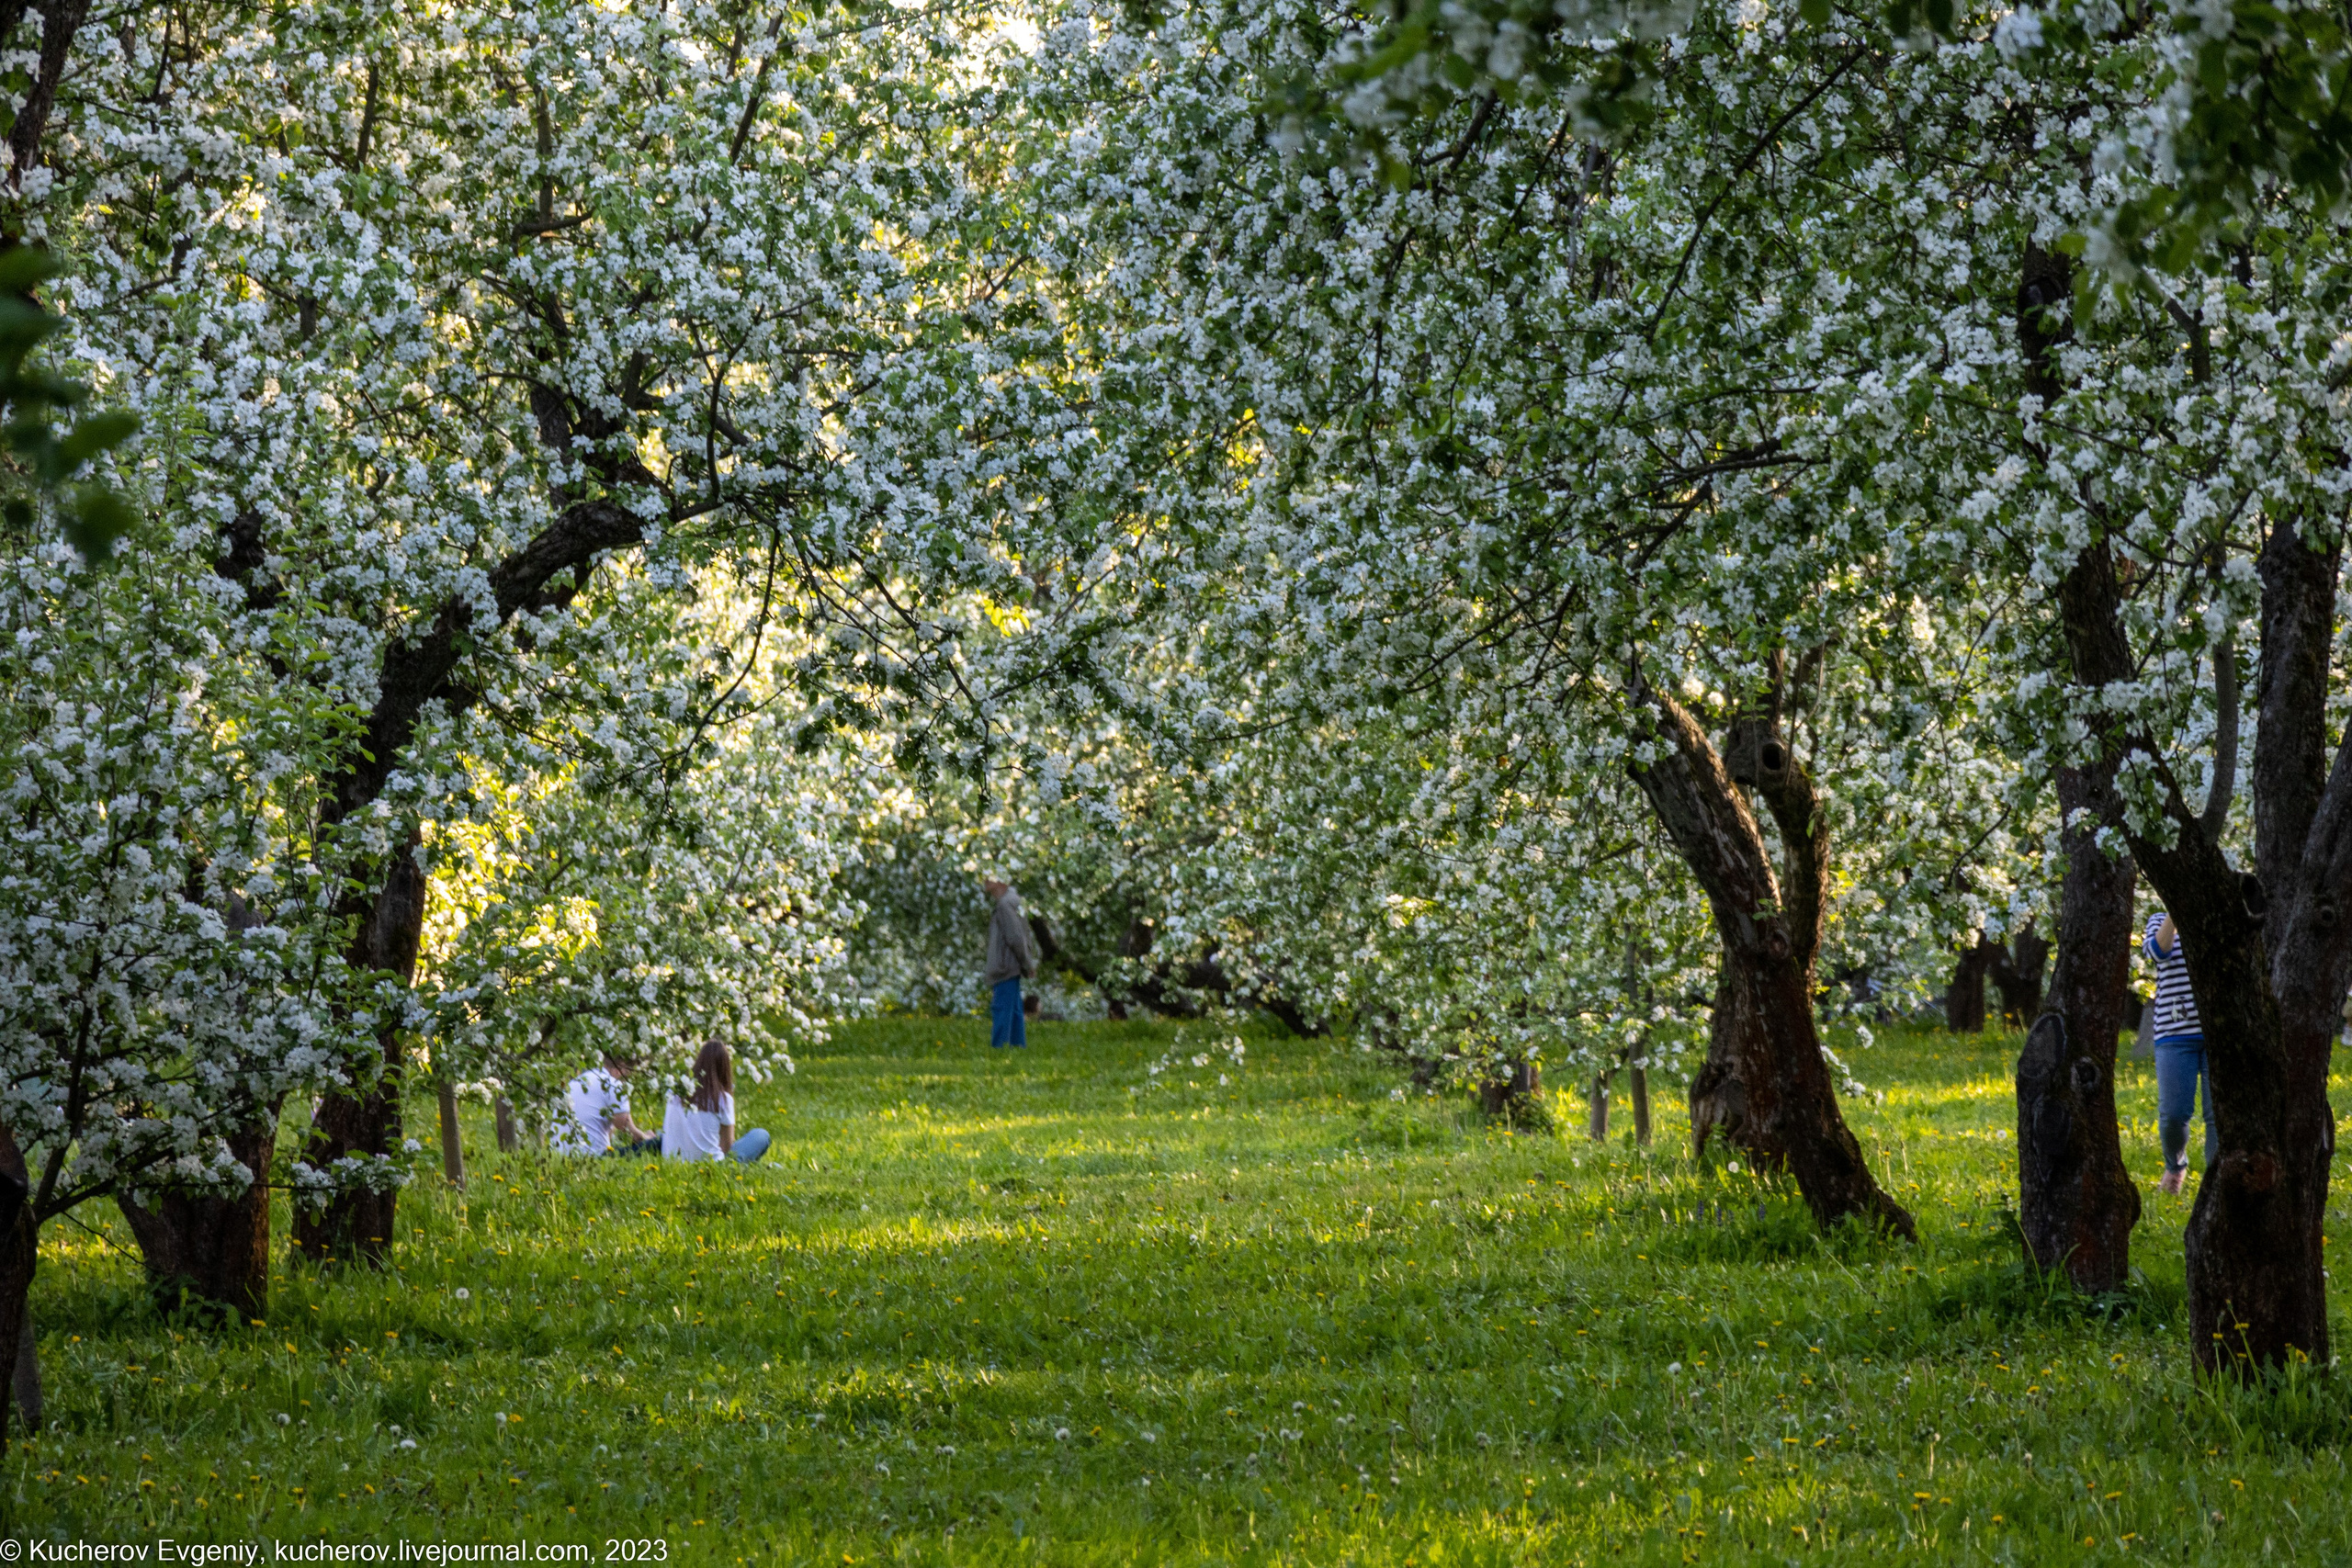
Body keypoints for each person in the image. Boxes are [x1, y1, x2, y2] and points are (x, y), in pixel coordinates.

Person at [2144, 911, 2217, 1195]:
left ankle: (2217, 1181)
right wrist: (2176, 912)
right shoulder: (2159, 920)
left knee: (2218, 1115)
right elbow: (2157, 952)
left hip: (2219, 1031)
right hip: (2173, 1033)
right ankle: (2175, 1166)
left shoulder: (2219, 916)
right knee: (2173, 1115)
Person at [661, 1039, 772, 1164]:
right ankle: (760, 1165)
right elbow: (727, 1146)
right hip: (710, 1166)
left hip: (673, 1163)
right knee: (761, 1135)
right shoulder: (722, 1099)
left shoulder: (674, 1092)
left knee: (662, 1134)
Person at [551, 1055, 652, 1156]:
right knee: (656, 1144)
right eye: (626, 1074)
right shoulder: (613, 1084)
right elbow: (626, 1127)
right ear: (620, 1069)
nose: (625, 1080)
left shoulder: (579, 1080)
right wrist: (647, 1138)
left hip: (559, 1155)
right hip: (591, 1156)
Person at [981, 876, 1037, 1048]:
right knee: (1014, 1010)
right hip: (1011, 965)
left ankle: (999, 1048)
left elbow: (1015, 938)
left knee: (1002, 1008)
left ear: (1001, 881)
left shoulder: (1005, 905)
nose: (985, 880)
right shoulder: (1012, 901)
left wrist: (1027, 964)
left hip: (1005, 966)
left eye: (990, 876)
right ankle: (1017, 1047)